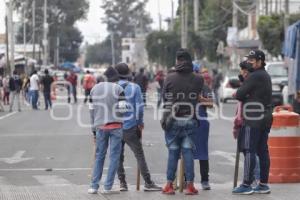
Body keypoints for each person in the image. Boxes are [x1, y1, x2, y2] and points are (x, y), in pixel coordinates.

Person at [161, 49, 204, 195]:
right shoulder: (199, 79)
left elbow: (164, 99)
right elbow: (198, 97)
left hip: (172, 120)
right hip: (190, 119)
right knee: (188, 152)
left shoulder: (169, 78)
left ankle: (169, 185)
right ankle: (190, 185)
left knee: (173, 152)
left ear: (178, 61)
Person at [115, 63, 162, 192]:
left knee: (118, 156)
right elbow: (139, 108)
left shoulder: (112, 87)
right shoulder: (135, 88)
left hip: (115, 126)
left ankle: (122, 183)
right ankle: (148, 182)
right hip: (130, 126)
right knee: (139, 155)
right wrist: (139, 122)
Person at [233, 50, 273, 195]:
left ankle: (246, 184)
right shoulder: (265, 75)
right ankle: (263, 184)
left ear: (260, 61)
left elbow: (239, 94)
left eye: (252, 60)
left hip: (254, 118)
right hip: (266, 117)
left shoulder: (255, 76)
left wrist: (244, 92)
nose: (249, 62)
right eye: (249, 59)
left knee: (250, 150)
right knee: (262, 150)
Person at [88, 67, 125, 194]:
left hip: (100, 127)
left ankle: (94, 186)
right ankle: (108, 187)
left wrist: (93, 130)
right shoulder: (119, 89)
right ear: (115, 78)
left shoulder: (94, 89)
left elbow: (91, 111)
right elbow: (122, 110)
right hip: (116, 127)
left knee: (99, 156)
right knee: (114, 157)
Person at [192, 68, 213, 191]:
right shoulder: (185, 86)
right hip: (188, 121)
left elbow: (211, 104)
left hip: (202, 123)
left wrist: (201, 99)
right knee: (186, 151)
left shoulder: (205, 87)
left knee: (203, 152)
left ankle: (205, 180)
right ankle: (187, 179)